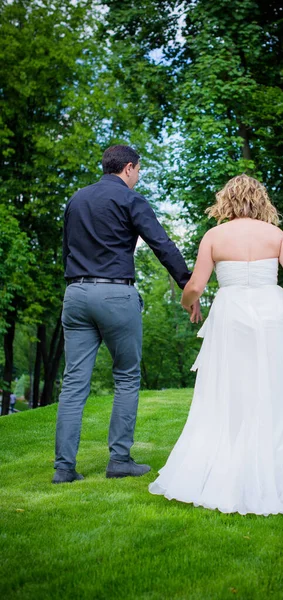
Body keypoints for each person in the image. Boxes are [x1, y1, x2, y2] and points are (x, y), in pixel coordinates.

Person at [149, 174, 283, 516]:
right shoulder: (276, 235)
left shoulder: (214, 236)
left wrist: (188, 303)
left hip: (230, 318)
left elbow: (196, 285)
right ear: (261, 201)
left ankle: (226, 463)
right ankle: (271, 471)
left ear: (226, 201)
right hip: (271, 316)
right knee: (272, 390)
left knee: (227, 390)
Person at [53, 145, 201, 484]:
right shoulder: (129, 200)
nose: (137, 178)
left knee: (74, 383)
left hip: (75, 293)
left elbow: (67, 248)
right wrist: (187, 287)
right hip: (116, 294)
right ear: (129, 168)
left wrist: (75, 281)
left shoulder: (76, 199)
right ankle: (119, 460)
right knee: (127, 377)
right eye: (138, 171)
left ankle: (64, 468)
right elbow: (161, 243)